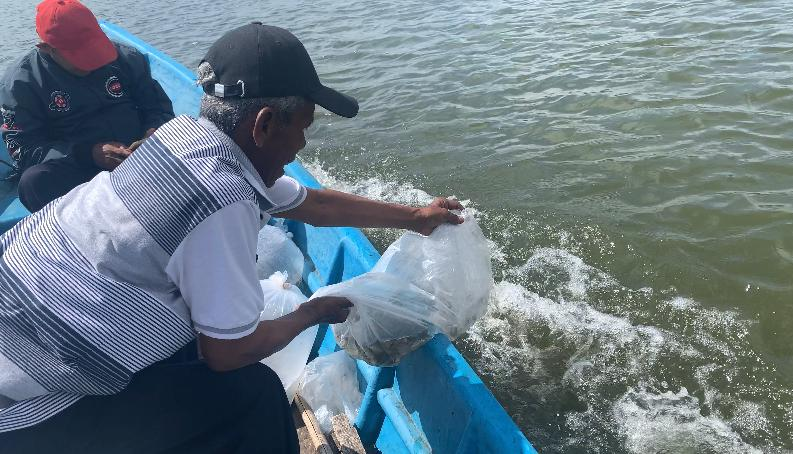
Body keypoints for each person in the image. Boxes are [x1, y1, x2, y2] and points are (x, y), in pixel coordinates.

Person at [0, 22, 463, 453]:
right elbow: (228, 353)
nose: (302, 145)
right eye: (303, 128)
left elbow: (315, 205)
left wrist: (415, 217)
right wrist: (311, 312)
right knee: (254, 395)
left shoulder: (182, 139)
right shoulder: (222, 200)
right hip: (24, 411)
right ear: (264, 124)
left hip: (20, 334)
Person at [0, 0, 174, 212]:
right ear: (46, 48)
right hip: (81, 169)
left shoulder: (126, 58)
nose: (93, 62)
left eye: (95, 50)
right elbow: (25, 150)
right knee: (33, 182)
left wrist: (152, 133)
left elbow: (157, 106)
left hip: (141, 155)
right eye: (81, 57)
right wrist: (90, 153)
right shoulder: (21, 83)